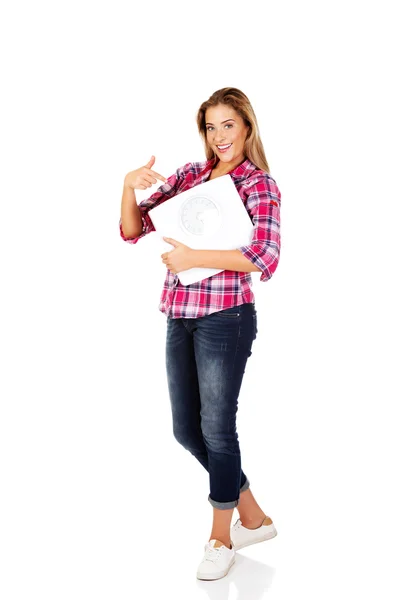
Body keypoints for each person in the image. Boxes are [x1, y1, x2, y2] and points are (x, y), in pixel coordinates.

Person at [119, 87, 281, 581]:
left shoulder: (260, 185)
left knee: (217, 429)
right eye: (211, 126)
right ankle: (251, 515)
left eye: (227, 124)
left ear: (246, 127)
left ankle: (221, 536)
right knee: (186, 429)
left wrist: (193, 258)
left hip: (226, 318)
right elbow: (134, 229)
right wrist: (128, 186)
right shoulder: (192, 175)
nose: (219, 135)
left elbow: (264, 258)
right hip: (180, 312)